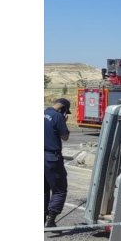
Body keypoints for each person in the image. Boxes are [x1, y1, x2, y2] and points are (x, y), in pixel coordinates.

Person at [45, 98, 71, 229]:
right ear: (64, 109)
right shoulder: (58, 117)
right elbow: (65, 137)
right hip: (52, 158)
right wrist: (64, 122)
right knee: (60, 190)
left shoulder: (43, 113)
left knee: (44, 189)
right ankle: (51, 218)